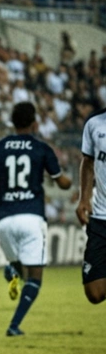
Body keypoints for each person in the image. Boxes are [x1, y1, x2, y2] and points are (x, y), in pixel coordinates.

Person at [0, 101, 72, 336]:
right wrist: (66, 179)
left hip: (4, 220)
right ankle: (14, 326)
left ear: (13, 122)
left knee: (20, 267)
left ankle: (12, 271)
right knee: (35, 278)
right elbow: (62, 183)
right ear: (34, 123)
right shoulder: (41, 148)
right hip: (31, 217)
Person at [76, 105, 106, 305]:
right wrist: (84, 198)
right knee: (94, 293)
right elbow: (87, 162)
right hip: (101, 216)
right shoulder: (94, 124)